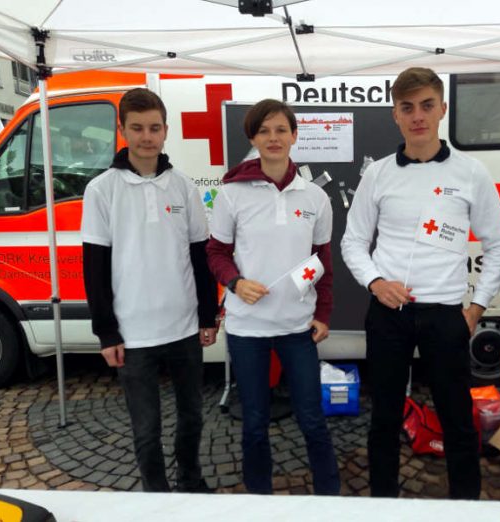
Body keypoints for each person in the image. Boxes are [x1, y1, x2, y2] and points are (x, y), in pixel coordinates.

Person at [341, 67, 500, 499]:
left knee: (456, 417)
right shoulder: (378, 174)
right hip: (388, 315)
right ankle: (383, 503)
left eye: (426, 105)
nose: (417, 115)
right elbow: (353, 241)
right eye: (407, 107)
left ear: (442, 110)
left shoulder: (472, 173)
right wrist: (375, 281)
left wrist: (477, 307)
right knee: (383, 416)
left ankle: (465, 505)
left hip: (446, 315)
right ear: (395, 115)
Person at [81, 88, 218, 493]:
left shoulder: (183, 187)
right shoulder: (102, 189)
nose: (146, 137)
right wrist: (107, 332)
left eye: (154, 128)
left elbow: (200, 257)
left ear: (165, 131)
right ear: (122, 130)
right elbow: (95, 267)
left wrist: (207, 316)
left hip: (183, 327)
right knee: (146, 429)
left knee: (192, 416)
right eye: (137, 128)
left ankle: (191, 482)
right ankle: (156, 499)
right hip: (134, 332)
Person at [206, 99, 340, 495]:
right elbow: (215, 253)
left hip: (298, 327)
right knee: (254, 421)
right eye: (264, 130)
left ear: (295, 136)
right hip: (247, 329)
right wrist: (234, 282)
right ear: (252, 138)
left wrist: (325, 313)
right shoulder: (232, 194)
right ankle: (259, 501)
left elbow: (323, 261)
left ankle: (330, 498)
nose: (273, 138)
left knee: (313, 418)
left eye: (281, 129)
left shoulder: (315, 198)